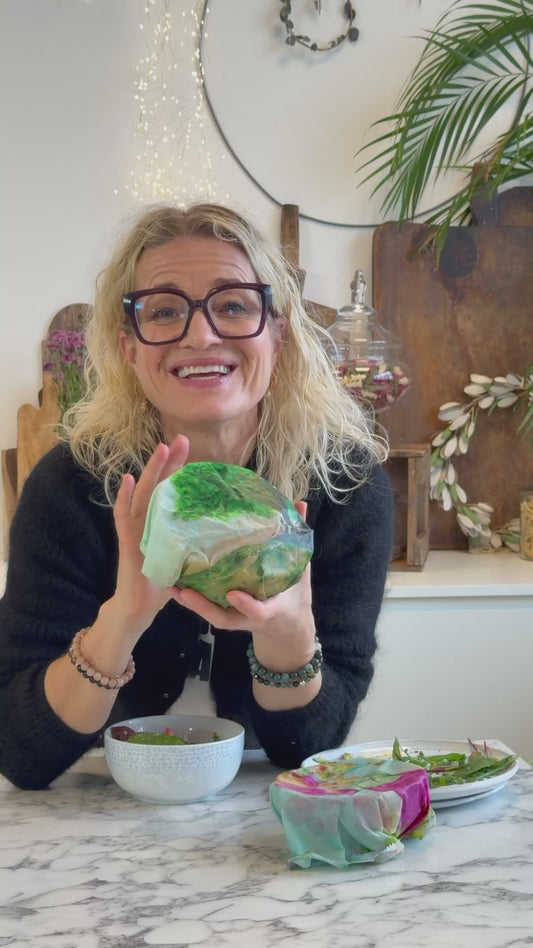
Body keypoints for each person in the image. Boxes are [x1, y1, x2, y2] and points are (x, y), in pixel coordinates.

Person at [0, 202, 393, 790]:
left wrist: (286, 635)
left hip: (263, 813)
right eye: (164, 312)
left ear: (278, 334)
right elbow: (21, 753)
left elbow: (307, 747)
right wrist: (123, 617)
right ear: (129, 348)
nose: (202, 335)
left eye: (233, 305)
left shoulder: (345, 485)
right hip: (113, 807)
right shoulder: (72, 485)